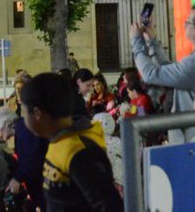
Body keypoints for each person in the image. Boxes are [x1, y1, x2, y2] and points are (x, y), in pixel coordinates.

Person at [130, 2, 195, 143]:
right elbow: (173, 72)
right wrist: (152, 42)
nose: (184, 24)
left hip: (192, 139)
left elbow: (150, 74)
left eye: (188, 21)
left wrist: (136, 40)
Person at [20, 72, 121, 211]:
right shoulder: (58, 141)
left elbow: (109, 205)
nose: (23, 119)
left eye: (24, 112)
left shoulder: (79, 150)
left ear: (37, 113)